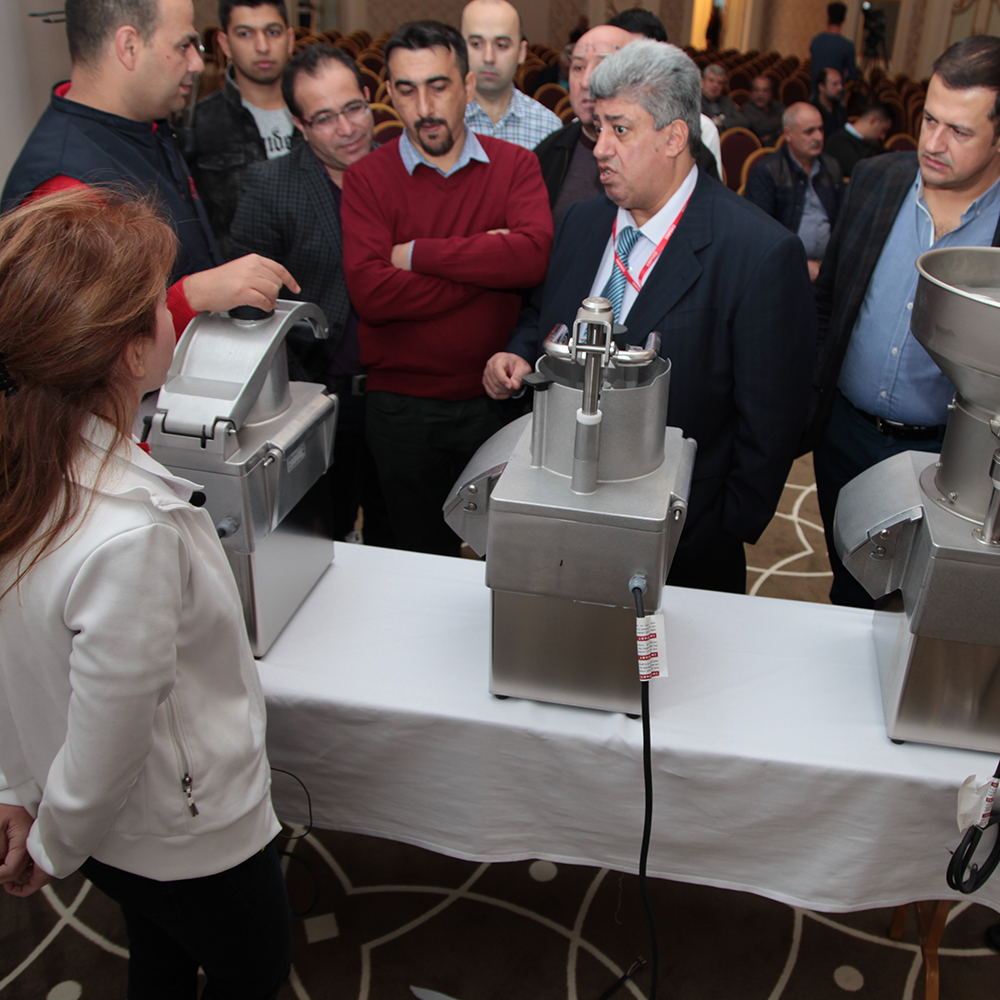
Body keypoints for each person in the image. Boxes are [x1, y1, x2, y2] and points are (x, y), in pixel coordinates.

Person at [0, 188, 289, 999]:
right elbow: (111, 740)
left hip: (102, 823)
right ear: (132, 355)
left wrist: (16, 790)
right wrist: (52, 845)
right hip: (187, 834)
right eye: (162, 305)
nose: (175, 317)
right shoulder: (130, 534)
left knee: (159, 954)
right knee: (252, 973)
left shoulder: (24, 465)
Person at [484, 40, 816, 594]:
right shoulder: (582, 222)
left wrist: (715, 527)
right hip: (558, 509)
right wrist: (519, 353)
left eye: (620, 129)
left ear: (674, 137)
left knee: (663, 654)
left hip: (681, 538)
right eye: (597, 129)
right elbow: (542, 313)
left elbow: (773, 421)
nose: (600, 149)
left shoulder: (758, 252)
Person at [340, 21, 552, 557]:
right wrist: (487, 265)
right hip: (402, 411)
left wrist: (416, 255)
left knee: (506, 559)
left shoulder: (516, 166)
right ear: (390, 94)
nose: (424, 107)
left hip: (495, 400)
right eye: (406, 90)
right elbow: (371, 294)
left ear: (467, 85)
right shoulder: (367, 178)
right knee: (416, 559)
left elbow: (531, 259)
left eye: (438, 86)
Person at [810, 35, 1000, 609]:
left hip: (948, 459)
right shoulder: (876, 179)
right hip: (844, 437)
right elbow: (829, 301)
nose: (933, 144)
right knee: (849, 586)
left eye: (959, 131)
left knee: (922, 606)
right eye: (929, 120)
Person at [1, 0, 298, 338]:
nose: (196, 63)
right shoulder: (67, 187)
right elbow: (79, 345)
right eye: (184, 46)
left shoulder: (145, 128)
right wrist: (192, 297)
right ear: (129, 47)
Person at [230, 43, 392, 547]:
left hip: (398, 397)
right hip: (318, 398)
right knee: (322, 538)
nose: (347, 129)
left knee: (399, 534)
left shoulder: (404, 171)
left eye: (353, 108)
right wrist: (297, 395)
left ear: (369, 97)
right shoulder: (269, 186)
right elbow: (247, 309)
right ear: (299, 125)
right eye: (324, 118)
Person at [535, 25, 720, 226]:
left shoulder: (690, 159)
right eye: (578, 67)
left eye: (604, 67)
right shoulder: (549, 150)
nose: (587, 81)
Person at [188, 0, 295, 258]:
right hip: (238, 274)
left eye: (272, 32)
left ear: (290, 39)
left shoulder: (319, 114)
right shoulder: (198, 124)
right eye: (245, 34)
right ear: (225, 44)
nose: (262, 46)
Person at [744, 102, 843, 282]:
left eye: (821, 129)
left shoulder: (832, 167)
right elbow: (759, 236)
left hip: (828, 269)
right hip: (783, 268)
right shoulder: (768, 171)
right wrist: (798, 264)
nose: (819, 137)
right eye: (809, 131)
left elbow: (842, 222)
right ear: (788, 134)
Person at [461, 0, 561, 150]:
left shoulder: (548, 127)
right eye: (476, 44)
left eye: (501, 45)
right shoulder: (439, 121)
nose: (488, 57)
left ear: (521, 52)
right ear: (460, 48)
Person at [825, 103, 892, 178]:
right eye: (883, 130)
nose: (883, 137)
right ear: (873, 120)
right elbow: (861, 173)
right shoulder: (838, 142)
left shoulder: (869, 143)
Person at [810, 1, 857, 91]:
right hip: (836, 94)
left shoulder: (815, 41)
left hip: (816, 92)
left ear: (828, 17)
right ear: (844, 20)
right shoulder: (847, 46)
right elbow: (852, 76)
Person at [741, 74, 785, 146]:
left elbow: (788, 121)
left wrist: (772, 135)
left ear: (771, 93)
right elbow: (761, 128)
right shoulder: (745, 109)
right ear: (751, 92)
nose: (760, 94)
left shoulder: (777, 105)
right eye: (756, 90)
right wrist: (779, 130)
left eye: (765, 90)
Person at [701, 63, 744, 130]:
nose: (715, 85)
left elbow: (743, 121)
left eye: (719, 82)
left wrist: (722, 123)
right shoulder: (694, 102)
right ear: (702, 82)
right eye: (711, 80)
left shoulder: (727, 102)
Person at [813, 66, 847, 137]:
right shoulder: (812, 111)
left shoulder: (840, 110)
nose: (840, 88)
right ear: (821, 87)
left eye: (840, 83)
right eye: (835, 84)